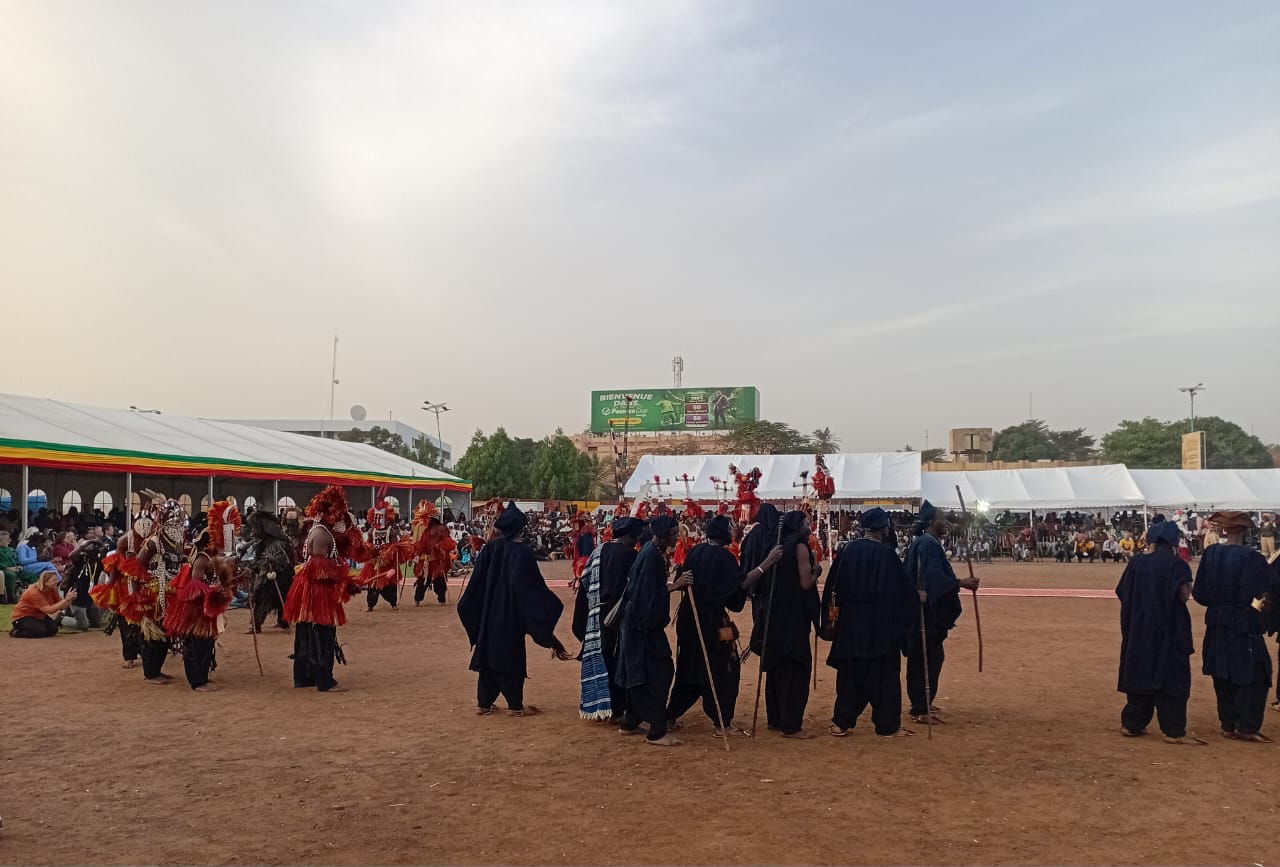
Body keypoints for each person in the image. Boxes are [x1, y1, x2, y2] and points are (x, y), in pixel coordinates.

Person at [665, 515, 781, 737]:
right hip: (710, 624)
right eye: (729, 528)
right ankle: (722, 723)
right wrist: (767, 563)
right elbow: (740, 583)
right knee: (723, 670)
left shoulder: (696, 551)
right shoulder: (722, 557)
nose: (731, 531)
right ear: (720, 531)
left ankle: (670, 715)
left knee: (690, 668)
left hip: (689, 620)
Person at [457, 502, 571, 716]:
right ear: (519, 528)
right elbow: (531, 588)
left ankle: (484, 703)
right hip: (511, 615)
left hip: (488, 613)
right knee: (511, 657)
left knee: (488, 655)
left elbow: (476, 585)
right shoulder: (522, 552)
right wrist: (545, 616)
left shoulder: (489, 549)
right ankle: (515, 706)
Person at [821, 508, 918, 738]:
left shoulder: (847, 551)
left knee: (850, 676)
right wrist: (916, 599)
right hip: (880, 627)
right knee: (885, 677)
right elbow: (900, 593)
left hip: (851, 626)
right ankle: (887, 725)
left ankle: (841, 722)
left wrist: (833, 619)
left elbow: (833, 587)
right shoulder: (887, 555)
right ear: (883, 528)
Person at [1192, 511, 1273, 743]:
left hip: (1216, 622)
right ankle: (1246, 725)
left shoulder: (1211, 554)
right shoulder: (1253, 558)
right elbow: (1265, 593)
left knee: (1222, 671)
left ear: (1224, 530)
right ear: (1244, 532)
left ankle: (1228, 723)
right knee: (1255, 673)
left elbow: (1199, 593)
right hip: (1243, 623)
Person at [1115, 520, 1197, 743]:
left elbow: (1122, 591)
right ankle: (1173, 730)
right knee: (1171, 677)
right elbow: (1184, 595)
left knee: (1140, 672)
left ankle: (1132, 724)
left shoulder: (1136, 563)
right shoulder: (1176, 565)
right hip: (1168, 630)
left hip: (1139, 629)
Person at [284, 486, 369, 693]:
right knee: (323, 634)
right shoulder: (322, 534)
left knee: (306, 632)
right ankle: (324, 681)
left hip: (309, 589)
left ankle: (304, 677)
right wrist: (344, 581)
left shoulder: (319, 530)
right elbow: (319, 570)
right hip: (317, 592)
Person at [616, 515, 690, 745]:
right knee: (659, 673)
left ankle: (630, 721)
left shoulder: (651, 551)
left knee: (639, 672)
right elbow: (646, 596)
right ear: (662, 534)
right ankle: (656, 731)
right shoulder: (651, 557)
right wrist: (676, 585)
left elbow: (648, 589)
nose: (677, 537)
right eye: (674, 533)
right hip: (642, 626)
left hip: (638, 624)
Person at [904, 501, 980, 724]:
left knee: (927, 657)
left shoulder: (928, 543)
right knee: (927, 658)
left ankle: (922, 701)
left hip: (925, 610)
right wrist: (961, 583)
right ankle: (920, 707)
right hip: (925, 612)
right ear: (930, 522)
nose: (946, 522)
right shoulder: (927, 544)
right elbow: (933, 579)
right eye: (941, 519)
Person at [572, 516, 645, 721]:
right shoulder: (631, 556)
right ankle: (617, 709)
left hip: (596, 614)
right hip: (618, 616)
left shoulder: (598, 551)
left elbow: (585, 583)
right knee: (618, 662)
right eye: (636, 535)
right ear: (629, 536)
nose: (637, 539)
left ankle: (601, 706)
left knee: (602, 660)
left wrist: (583, 618)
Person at [757, 510, 821, 738]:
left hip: (774, 613)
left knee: (776, 666)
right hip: (793, 616)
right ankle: (791, 725)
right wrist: (816, 572)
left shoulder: (775, 545)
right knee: (795, 668)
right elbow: (805, 583)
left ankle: (775, 719)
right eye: (805, 522)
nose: (809, 526)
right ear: (797, 525)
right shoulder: (799, 546)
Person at [162, 519, 235, 691]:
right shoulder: (202, 559)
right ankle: (197, 681)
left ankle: (201, 677)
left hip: (207, 608)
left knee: (206, 643)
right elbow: (195, 586)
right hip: (198, 610)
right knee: (197, 644)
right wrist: (215, 593)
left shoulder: (211, 558)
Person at [129, 500, 189, 685]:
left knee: (165, 634)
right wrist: (136, 597)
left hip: (170, 592)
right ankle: (151, 673)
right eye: (174, 523)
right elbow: (135, 568)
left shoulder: (179, 541)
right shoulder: (153, 543)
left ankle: (156, 670)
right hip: (153, 594)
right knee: (153, 635)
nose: (177, 526)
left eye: (179, 523)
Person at [241, 509, 295, 633]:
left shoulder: (277, 542)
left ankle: (280, 622)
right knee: (262, 598)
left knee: (271, 599)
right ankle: (259, 624)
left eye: (255, 528)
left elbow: (280, 559)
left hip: (279, 576)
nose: (253, 531)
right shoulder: (264, 542)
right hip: (270, 575)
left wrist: (269, 564)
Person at [9, 570, 75, 637]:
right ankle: (16, 632)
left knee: (53, 630)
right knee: (40, 631)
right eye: (54, 580)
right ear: (45, 582)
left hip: (38, 616)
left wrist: (70, 599)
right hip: (22, 617)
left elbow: (62, 606)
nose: (57, 582)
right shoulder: (34, 592)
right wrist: (65, 600)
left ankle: (38, 627)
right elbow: (49, 610)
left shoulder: (52, 589)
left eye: (56, 579)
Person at [0, 530, 23, 603]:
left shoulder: (10, 549)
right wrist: (8, 568)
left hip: (15, 568)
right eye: (7, 539)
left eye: (9, 539)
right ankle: (12, 598)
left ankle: (32, 597)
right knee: (11, 575)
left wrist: (19, 565)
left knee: (30, 574)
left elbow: (16, 559)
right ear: (0, 541)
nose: (9, 541)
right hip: (4, 569)